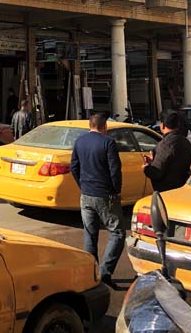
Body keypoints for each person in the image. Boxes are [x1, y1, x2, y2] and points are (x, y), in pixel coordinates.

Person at [69, 112, 124, 290]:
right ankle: (105, 272)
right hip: (105, 194)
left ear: (90, 125)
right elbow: (115, 170)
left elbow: (74, 167)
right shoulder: (108, 143)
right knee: (117, 233)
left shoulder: (80, 142)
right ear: (104, 126)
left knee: (90, 234)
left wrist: (82, 185)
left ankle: (91, 274)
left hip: (86, 194)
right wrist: (115, 190)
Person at [142, 109, 191, 193]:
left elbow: (156, 173)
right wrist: (154, 161)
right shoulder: (185, 142)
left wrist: (146, 168)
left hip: (167, 193)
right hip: (181, 190)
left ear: (162, 125)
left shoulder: (166, 144)